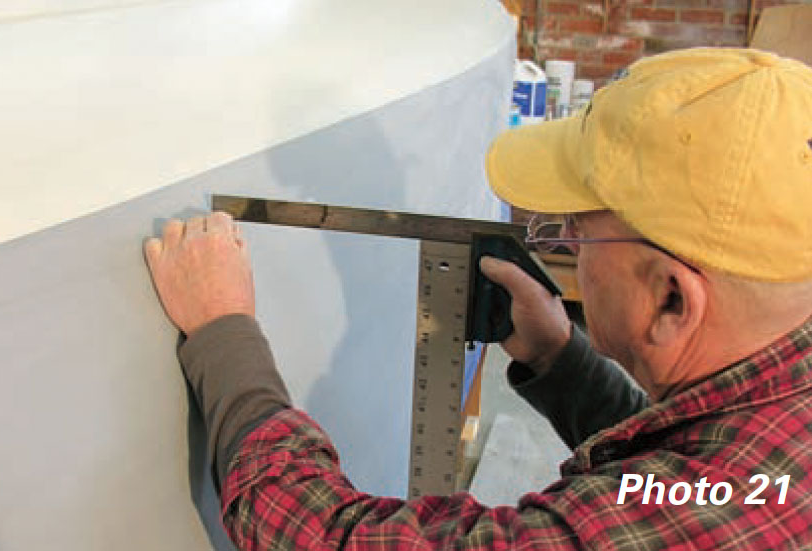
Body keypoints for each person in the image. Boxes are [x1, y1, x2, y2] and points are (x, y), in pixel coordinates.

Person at [144, 48, 812, 549]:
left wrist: (223, 329)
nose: (569, 241)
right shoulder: (775, 414)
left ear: (672, 299)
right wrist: (559, 359)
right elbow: (694, 466)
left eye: (581, 227)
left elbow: (327, 536)